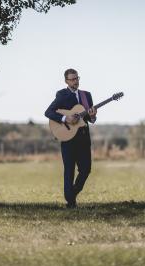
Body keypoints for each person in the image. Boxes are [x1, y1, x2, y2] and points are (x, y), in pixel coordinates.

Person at [45, 68, 97, 208]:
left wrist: (92, 116)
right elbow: (48, 112)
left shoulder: (87, 95)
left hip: (84, 137)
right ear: (66, 81)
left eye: (77, 78)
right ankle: (71, 202)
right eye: (72, 79)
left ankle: (71, 194)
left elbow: (90, 119)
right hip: (68, 138)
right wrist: (65, 118)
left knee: (86, 169)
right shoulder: (62, 95)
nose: (76, 81)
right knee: (69, 170)